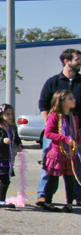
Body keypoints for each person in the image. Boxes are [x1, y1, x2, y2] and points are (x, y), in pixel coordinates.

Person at [35, 49, 81, 208]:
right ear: (67, 61)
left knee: (75, 164)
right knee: (50, 164)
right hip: (56, 131)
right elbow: (43, 103)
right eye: (77, 59)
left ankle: (77, 196)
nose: (80, 62)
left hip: (76, 129)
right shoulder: (53, 82)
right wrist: (50, 123)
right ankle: (43, 196)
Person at [41, 90, 78, 212]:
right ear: (61, 102)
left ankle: (69, 203)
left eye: (73, 98)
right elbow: (48, 133)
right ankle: (47, 201)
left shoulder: (73, 117)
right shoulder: (54, 116)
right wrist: (65, 139)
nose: (74, 100)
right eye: (70, 98)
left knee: (70, 178)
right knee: (52, 177)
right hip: (57, 152)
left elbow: (76, 135)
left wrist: (77, 142)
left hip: (69, 153)